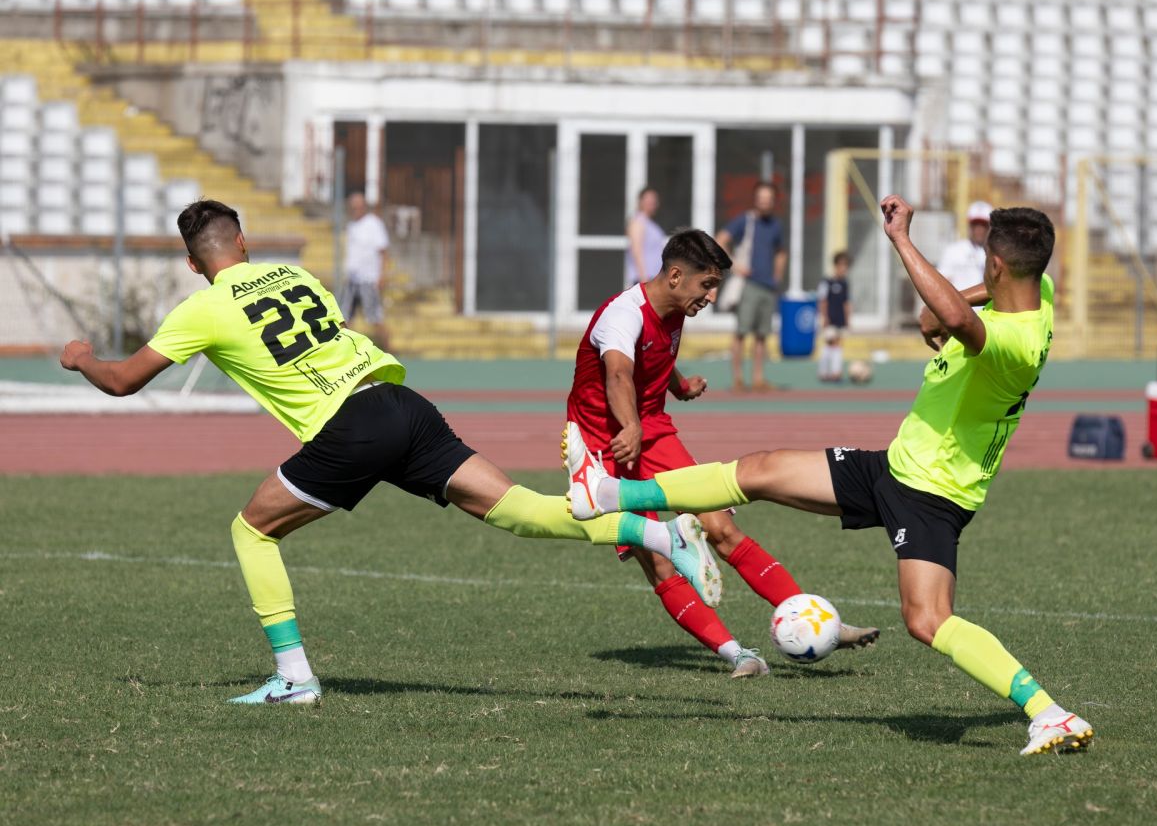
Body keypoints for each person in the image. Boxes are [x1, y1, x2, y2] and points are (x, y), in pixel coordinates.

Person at [58, 200, 720, 705]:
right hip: (403, 404)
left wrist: (83, 358)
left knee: (251, 529)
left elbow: (123, 381)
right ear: (245, 244)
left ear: (194, 263)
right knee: (520, 508)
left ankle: (294, 678)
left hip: (350, 428)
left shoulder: (201, 306)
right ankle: (652, 531)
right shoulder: (290, 272)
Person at [566, 195, 1097, 756]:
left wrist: (902, 241)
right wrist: (938, 309)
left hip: (932, 494)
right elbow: (968, 305)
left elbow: (964, 319)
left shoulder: (1013, 342)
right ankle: (612, 492)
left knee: (928, 619)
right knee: (761, 471)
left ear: (995, 264)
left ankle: (1048, 712)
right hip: (893, 468)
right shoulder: (1037, 291)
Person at [564, 229, 879, 678]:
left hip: (651, 430)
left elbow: (655, 355)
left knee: (720, 526)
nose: (712, 296)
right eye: (706, 284)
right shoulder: (621, 315)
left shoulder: (671, 309)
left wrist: (679, 384)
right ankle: (738, 654)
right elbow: (618, 372)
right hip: (602, 445)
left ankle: (816, 619)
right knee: (655, 559)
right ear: (675, 276)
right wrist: (629, 425)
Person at [717, 181, 787, 392]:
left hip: (768, 286)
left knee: (762, 336)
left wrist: (777, 276)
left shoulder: (776, 225)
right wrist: (733, 264)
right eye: (761, 197)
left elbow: (781, 252)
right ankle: (738, 379)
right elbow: (720, 239)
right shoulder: (744, 220)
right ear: (756, 199)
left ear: (773, 201)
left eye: (769, 198)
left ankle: (758, 379)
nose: (765, 201)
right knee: (741, 332)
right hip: (748, 285)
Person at [340, 192, 391, 351]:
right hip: (352, 280)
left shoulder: (373, 224)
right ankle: (348, 352)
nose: (354, 210)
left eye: (357, 206)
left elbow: (383, 252)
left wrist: (382, 276)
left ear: (363, 207)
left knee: (375, 318)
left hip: (368, 280)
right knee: (344, 319)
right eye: (352, 207)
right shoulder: (351, 226)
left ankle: (389, 349)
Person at [937, 201, 993, 298]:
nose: (979, 229)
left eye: (983, 225)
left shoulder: (996, 253)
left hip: (987, 311)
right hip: (959, 309)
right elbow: (942, 282)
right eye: (975, 224)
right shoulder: (953, 250)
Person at [816, 250, 852, 382]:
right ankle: (825, 371)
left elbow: (846, 302)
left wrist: (848, 319)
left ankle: (835, 372)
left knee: (838, 343)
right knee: (830, 343)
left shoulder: (845, 283)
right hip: (829, 318)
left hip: (840, 319)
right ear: (835, 266)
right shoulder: (827, 282)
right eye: (841, 265)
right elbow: (823, 300)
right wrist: (824, 317)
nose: (843, 269)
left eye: (846, 266)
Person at [625, 186, 667, 287]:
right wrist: (643, 279)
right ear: (641, 201)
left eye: (654, 200)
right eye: (649, 200)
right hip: (645, 278)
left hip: (655, 277)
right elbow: (636, 251)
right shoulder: (638, 221)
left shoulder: (649, 223)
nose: (652, 203)